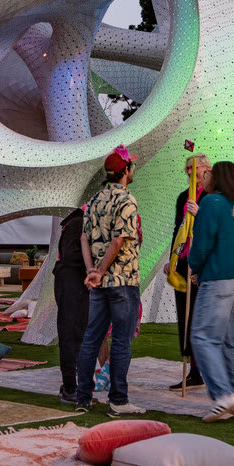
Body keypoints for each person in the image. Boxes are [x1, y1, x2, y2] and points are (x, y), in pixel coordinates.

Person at [74, 146, 147, 416]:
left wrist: (92, 270)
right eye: (132, 166)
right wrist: (101, 271)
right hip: (122, 281)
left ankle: (83, 398)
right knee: (121, 342)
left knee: (91, 339)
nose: (133, 170)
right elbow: (118, 241)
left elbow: (83, 238)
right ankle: (118, 400)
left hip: (100, 284)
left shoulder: (94, 200)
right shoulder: (126, 200)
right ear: (125, 171)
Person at [186, 158, 234, 422]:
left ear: (218, 178)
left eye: (209, 173)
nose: (206, 177)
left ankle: (223, 396)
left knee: (203, 337)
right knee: (231, 340)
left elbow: (202, 243)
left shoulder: (211, 202)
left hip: (219, 277)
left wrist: (195, 267)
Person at [171, 152, 209, 391]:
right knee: (185, 317)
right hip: (184, 262)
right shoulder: (183, 197)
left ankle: (206, 369)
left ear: (206, 169)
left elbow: (216, 227)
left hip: (203, 264)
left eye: (193, 168)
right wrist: (172, 259)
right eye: (187, 168)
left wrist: (199, 213)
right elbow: (177, 230)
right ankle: (193, 371)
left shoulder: (212, 197)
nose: (189, 172)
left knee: (200, 317)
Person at [54, 204, 91, 403]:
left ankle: (71, 384)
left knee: (78, 333)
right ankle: (70, 387)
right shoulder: (78, 223)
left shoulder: (77, 221)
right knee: (71, 334)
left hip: (74, 282)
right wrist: (92, 265)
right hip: (71, 283)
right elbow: (70, 255)